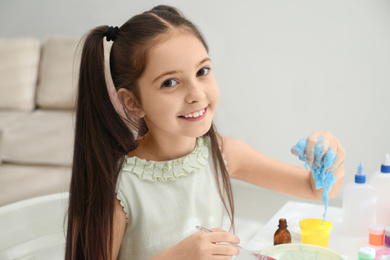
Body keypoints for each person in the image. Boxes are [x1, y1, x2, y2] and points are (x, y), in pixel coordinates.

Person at [65, 5, 345, 260]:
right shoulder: (119, 185)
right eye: (170, 82)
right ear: (133, 102)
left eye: (202, 71)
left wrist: (329, 159)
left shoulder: (223, 154)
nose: (197, 95)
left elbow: (316, 189)